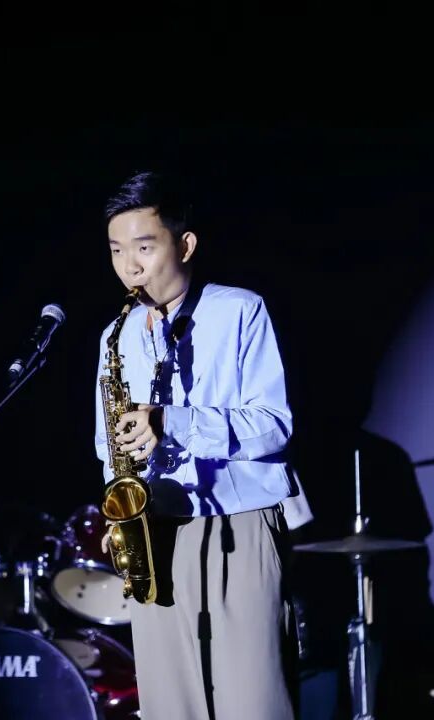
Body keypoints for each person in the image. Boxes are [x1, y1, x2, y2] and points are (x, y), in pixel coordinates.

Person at [93, 170, 302, 720]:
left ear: (184, 246)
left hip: (237, 525)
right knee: (169, 708)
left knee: (254, 705)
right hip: (153, 534)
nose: (130, 267)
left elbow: (273, 426)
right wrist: (121, 511)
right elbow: (106, 445)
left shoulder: (240, 311)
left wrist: (172, 421)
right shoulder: (115, 336)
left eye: (144, 248)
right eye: (117, 251)